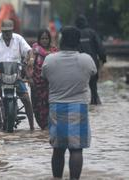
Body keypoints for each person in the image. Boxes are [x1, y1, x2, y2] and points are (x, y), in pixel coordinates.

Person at [41, 26, 97, 179]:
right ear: (77, 42)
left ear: (61, 40)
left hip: (56, 108)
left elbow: (44, 77)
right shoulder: (86, 59)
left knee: (58, 149)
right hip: (79, 108)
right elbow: (93, 74)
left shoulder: (50, 59)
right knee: (76, 149)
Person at [0, 19, 34, 131]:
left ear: (12, 30)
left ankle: (32, 127)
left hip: (15, 75)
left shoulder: (18, 39)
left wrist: (31, 58)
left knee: (26, 99)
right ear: (1, 30)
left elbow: (29, 50)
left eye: (9, 31)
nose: (7, 33)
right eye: (4, 31)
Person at [29, 29, 58, 130]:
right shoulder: (34, 50)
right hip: (37, 85)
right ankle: (43, 127)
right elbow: (29, 66)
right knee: (37, 107)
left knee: (50, 105)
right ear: (39, 39)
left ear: (49, 39)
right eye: (42, 38)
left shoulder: (54, 51)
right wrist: (30, 78)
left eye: (46, 38)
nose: (44, 40)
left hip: (50, 85)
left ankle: (50, 127)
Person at [75, 15, 107, 105]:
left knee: (79, 90)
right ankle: (95, 103)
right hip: (92, 64)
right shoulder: (92, 33)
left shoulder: (74, 34)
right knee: (93, 88)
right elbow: (100, 48)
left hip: (78, 65)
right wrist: (103, 59)